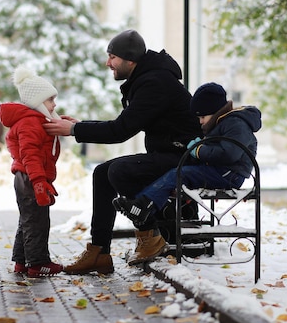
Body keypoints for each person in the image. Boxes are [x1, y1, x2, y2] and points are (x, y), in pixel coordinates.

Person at [43, 29, 201, 272]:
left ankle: (150, 236)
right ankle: (99, 252)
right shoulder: (148, 79)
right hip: (169, 155)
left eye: (112, 57)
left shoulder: (155, 83)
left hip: (184, 159)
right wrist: (77, 127)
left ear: (130, 59)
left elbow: (120, 131)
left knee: (119, 170)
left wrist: (74, 130)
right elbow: (122, 124)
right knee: (102, 173)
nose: (108, 63)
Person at [112, 82, 262, 226]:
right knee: (178, 174)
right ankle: (144, 205)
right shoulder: (224, 123)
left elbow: (229, 154)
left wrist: (199, 150)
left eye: (202, 117)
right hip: (223, 171)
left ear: (215, 112)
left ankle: (143, 206)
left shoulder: (236, 123)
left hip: (230, 174)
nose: (201, 122)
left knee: (178, 174)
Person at [0, 66, 63, 278]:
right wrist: (38, 181)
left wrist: (67, 122)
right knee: (38, 221)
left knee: (28, 220)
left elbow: (51, 126)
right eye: (50, 100)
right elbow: (30, 154)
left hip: (27, 177)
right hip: (30, 178)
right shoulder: (30, 123)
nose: (54, 104)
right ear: (37, 102)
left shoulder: (35, 120)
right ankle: (38, 263)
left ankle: (21, 262)